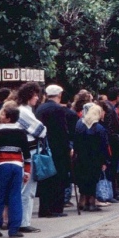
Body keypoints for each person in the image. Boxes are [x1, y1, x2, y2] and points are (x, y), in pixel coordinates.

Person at [0, 102, 33, 237]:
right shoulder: (21, 133)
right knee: (15, 197)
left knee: (0, 197)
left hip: (2, 166)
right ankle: (14, 229)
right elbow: (26, 154)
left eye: (3, 114)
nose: (1, 115)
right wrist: (27, 171)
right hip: (17, 166)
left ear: (8, 118)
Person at [35, 84, 76, 218]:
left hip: (44, 147)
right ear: (59, 95)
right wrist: (68, 147)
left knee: (46, 180)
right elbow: (62, 131)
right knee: (58, 179)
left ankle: (44, 208)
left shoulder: (40, 108)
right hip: (57, 149)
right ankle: (55, 208)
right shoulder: (58, 109)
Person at [15, 83, 48, 224]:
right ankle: (23, 222)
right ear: (28, 96)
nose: (37, 98)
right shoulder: (24, 112)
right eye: (35, 95)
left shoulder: (25, 110)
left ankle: (24, 221)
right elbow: (41, 130)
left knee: (28, 189)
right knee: (27, 189)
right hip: (29, 151)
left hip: (28, 151)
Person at [72, 103, 111, 212]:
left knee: (83, 179)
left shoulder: (79, 125)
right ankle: (91, 202)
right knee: (93, 180)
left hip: (81, 157)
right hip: (95, 158)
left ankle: (83, 200)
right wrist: (104, 161)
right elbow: (104, 146)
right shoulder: (99, 128)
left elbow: (75, 142)